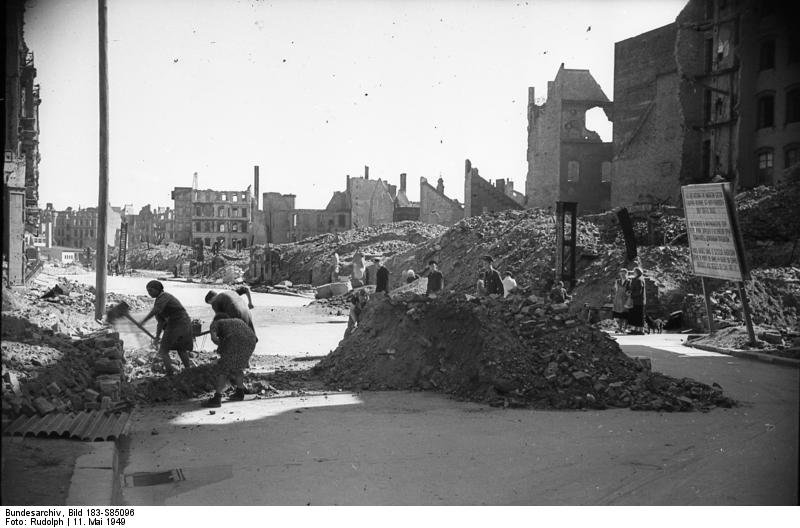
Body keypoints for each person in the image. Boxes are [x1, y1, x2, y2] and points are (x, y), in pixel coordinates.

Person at [201, 313, 258, 408]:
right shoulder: (237, 321)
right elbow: (243, 335)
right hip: (251, 340)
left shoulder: (216, 323)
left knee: (223, 369)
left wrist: (221, 348)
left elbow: (214, 338)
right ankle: (240, 392)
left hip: (234, 341)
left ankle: (217, 398)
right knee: (238, 367)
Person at [139, 280, 195, 376]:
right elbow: (160, 322)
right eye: (148, 291)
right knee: (181, 349)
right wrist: (157, 337)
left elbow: (156, 311)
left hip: (177, 323)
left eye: (151, 290)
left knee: (164, 350)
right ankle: (188, 371)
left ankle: (170, 373)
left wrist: (144, 321)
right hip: (183, 323)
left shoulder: (164, 296)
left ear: (158, 289)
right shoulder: (159, 301)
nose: (149, 293)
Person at [627, 267, 647, 335]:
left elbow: (639, 291)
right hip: (636, 301)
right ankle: (634, 330)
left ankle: (640, 330)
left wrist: (631, 294)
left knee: (638, 316)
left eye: (634, 272)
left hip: (638, 301)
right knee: (634, 315)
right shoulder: (637, 279)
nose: (633, 273)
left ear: (637, 272)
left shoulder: (639, 280)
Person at [612, 269, 631, 333]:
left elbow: (630, 291)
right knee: (619, 315)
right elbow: (616, 290)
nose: (622, 275)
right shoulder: (617, 281)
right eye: (621, 274)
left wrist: (628, 294)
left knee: (625, 315)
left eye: (624, 274)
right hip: (618, 299)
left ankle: (624, 328)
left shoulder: (629, 281)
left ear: (626, 274)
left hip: (625, 299)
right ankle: (619, 327)